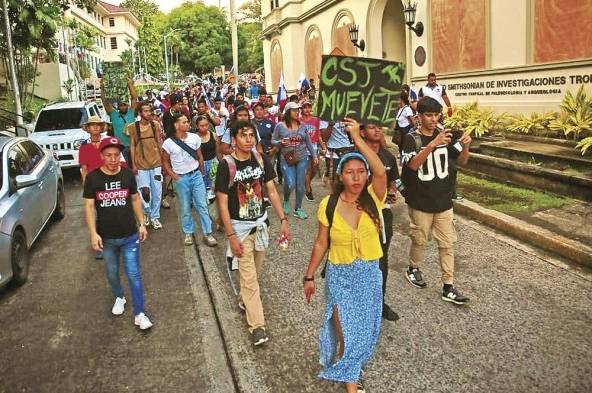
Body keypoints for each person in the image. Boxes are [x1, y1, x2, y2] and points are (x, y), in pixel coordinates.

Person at [304, 118, 387, 393]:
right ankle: (352, 381)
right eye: (350, 172)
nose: (356, 177)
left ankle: (349, 365)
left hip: (368, 275)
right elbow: (320, 243)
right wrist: (309, 276)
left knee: (362, 331)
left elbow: (381, 172)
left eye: (361, 171)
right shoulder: (328, 205)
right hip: (340, 276)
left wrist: (357, 138)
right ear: (340, 176)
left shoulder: (374, 198)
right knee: (344, 331)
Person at [215, 120, 290, 346]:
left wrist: (283, 220)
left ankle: (242, 299)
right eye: (243, 135)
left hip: (260, 225)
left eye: (251, 135)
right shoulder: (226, 165)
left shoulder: (260, 159)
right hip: (239, 228)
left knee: (253, 274)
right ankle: (257, 326)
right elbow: (222, 202)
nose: (248, 139)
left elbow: (271, 191)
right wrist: (230, 236)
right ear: (234, 139)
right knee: (249, 279)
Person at [400, 96, 471, 304]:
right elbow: (412, 166)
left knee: (447, 244)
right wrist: (433, 144)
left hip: (443, 202)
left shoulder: (445, 136)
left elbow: (462, 162)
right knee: (419, 240)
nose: (433, 119)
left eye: (436, 115)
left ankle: (448, 286)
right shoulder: (411, 138)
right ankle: (413, 268)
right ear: (419, 116)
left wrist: (466, 146)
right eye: (428, 115)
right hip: (421, 201)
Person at [83, 137, 153, 330]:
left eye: (116, 155)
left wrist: (142, 223)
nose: (113, 159)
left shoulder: (127, 174)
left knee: (134, 274)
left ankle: (140, 313)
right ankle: (119, 296)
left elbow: (135, 199)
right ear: (102, 156)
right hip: (107, 238)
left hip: (130, 236)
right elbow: (89, 207)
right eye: (109, 156)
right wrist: (93, 234)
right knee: (112, 273)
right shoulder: (93, 178)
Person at [361, 122, 400, 321]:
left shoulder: (388, 156)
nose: (377, 130)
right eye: (371, 127)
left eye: (379, 127)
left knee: (381, 261)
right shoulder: (355, 156)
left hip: (383, 216)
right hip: (359, 217)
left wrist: (392, 191)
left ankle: (379, 302)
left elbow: (394, 180)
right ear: (361, 132)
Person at [161, 113, 218, 247]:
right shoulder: (168, 143)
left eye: (187, 122)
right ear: (176, 125)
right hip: (182, 178)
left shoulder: (194, 138)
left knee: (202, 205)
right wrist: (175, 176)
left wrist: (202, 172)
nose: (188, 124)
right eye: (184, 122)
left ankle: (208, 233)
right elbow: (165, 161)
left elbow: (200, 156)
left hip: (196, 175)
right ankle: (188, 232)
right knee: (185, 206)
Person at [271, 102, 318, 219]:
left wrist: (315, 156)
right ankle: (286, 200)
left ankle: (298, 208)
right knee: (290, 183)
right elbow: (273, 141)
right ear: (287, 112)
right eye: (294, 110)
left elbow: (308, 142)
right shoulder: (280, 126)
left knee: (300, 184)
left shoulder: (302, 126)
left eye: (298, 110)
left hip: (302, 157)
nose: (297, 112)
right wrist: (280, 143)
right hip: (286, 158)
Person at [126, 101, 164, 229]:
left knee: (157, 191)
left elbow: (159, 142)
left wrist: (163, 161)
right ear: (140, 113)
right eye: (145, 111)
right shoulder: (133, 127)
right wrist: (134, 164)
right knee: (144, 191)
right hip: (141, 163)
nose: (148, 113)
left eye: (149, 111)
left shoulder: (155, 125)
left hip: (156, 162)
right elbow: (132, 146)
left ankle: (155, 216)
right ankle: (146, 212)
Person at [100, 77, 137, 162]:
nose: (123, 107)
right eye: (121, 105)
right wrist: (102, 88)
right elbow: (105, 102)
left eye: (125, 105)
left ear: (127, 105)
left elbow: (134, 98)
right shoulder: (113, 114)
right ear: (118, 106)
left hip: (133, 145)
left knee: (136, 168)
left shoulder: (131, 112)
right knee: (124, 168)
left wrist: (130, 85)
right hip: (120, 147)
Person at [300, 101, 325, 202]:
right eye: (304, 107)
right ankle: (308, 190)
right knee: (308, 169)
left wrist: (323, 144)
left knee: (315, 169)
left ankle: (307, 183)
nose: (307, 109)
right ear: (301, 109)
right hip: (303, 146)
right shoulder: (299, 120)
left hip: (314, 146)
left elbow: (318, 134)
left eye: (308, 107)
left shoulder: (316, 120)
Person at [195, 115, 221, 200]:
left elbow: (218, 152)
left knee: (214, 186)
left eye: (206, 125)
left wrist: (221, 163)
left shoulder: (213, 135)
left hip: (214, 164)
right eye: (202, 126)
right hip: (200, 165)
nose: (205, 127)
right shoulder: (194, 138)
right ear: (197, 126)